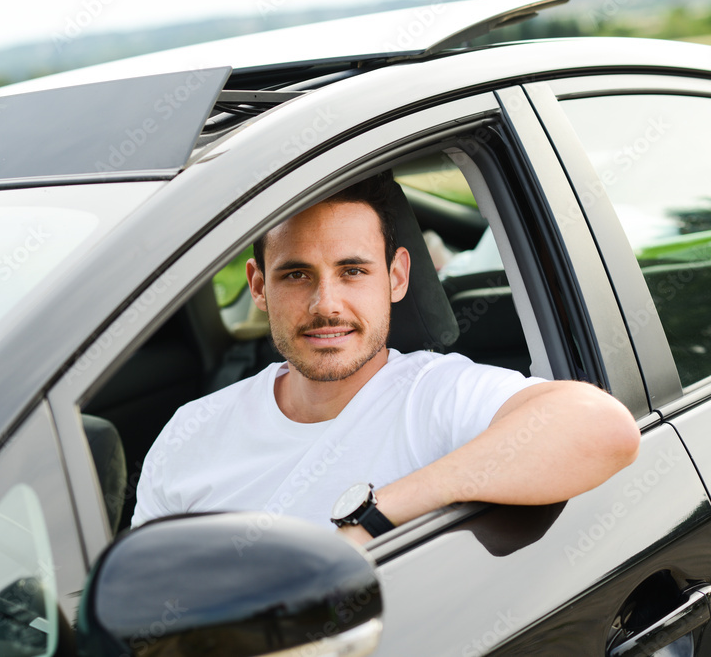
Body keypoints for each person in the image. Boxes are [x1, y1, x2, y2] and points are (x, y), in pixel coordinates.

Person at [131, 172, 640, 544]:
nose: (325, 303)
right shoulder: (190, 432)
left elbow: (603, 428)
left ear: (397, 278)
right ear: (259, 286)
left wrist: (373, 519)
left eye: (352, 271)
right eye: (296, 274)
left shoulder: (433, 394)